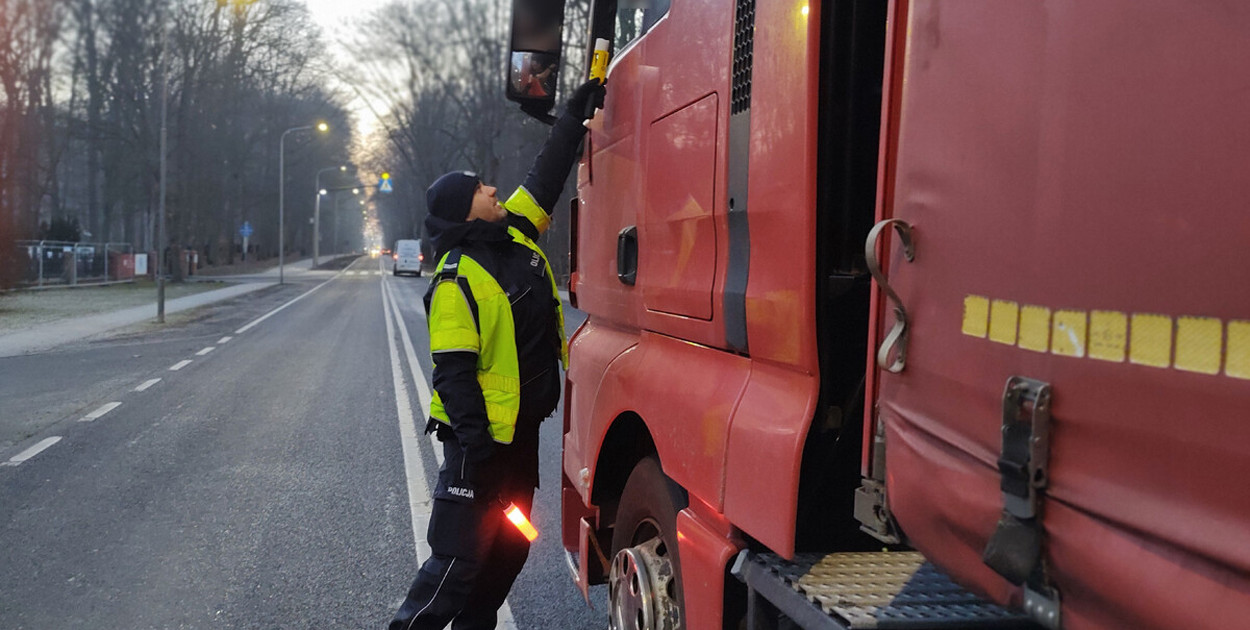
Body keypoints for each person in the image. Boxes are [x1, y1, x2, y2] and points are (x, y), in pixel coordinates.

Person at [389, 77, 606, 630]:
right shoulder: (455, 279)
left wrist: (573, 117)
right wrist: (480, 450)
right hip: (478, 446)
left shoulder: (516, 232)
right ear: (465, 211)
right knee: (456, 562)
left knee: (509, 550)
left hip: (520, 439)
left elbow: (546, 176)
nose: (493, 190)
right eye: (481, 188)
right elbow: (453, 374)